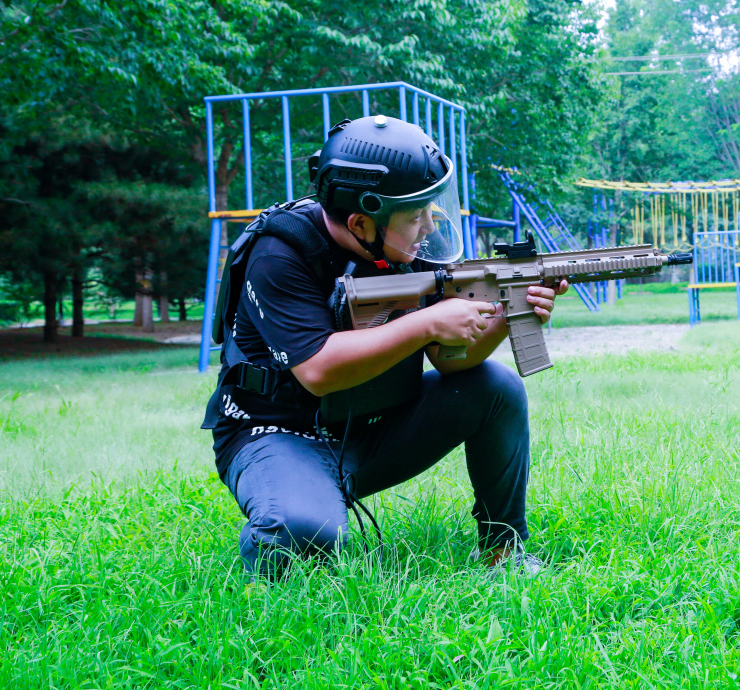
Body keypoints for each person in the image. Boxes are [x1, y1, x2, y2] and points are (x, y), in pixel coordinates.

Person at [201, 114, 568, 579]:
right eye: (415, 215)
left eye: (429, 208)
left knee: (495, 387)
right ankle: (292, 514)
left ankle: (502, 550)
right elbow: (318, 370)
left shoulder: (407, 244)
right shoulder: (279, 254)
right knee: (303, 532)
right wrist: (427, 322)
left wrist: (503, 317)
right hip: (275, 433)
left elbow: (451, 363)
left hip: (367, 430)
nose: (429, 224)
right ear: (361, 222)